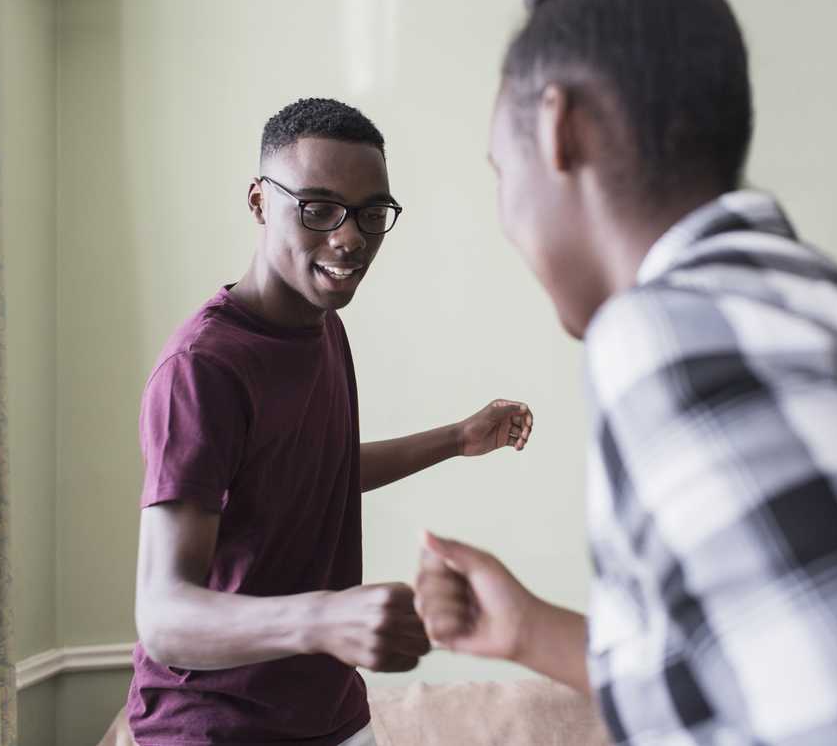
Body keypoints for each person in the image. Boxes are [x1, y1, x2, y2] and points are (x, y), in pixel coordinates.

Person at [414, 0, 837, 744]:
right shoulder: (827, 305)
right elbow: (769, 679)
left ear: (561, 127)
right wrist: (529, 631)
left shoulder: (671, 335)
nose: (504, 209)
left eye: (499, 167)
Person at [125, 97, 534, 746]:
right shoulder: (202, 367)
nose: (350, 237)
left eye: (371, 213)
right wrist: (324, 618)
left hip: (331, 712)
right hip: (213, 726)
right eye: (318, 209)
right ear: (260, 202)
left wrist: (457, 438)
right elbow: (164, 615)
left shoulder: (324, 327)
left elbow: (313, 468)